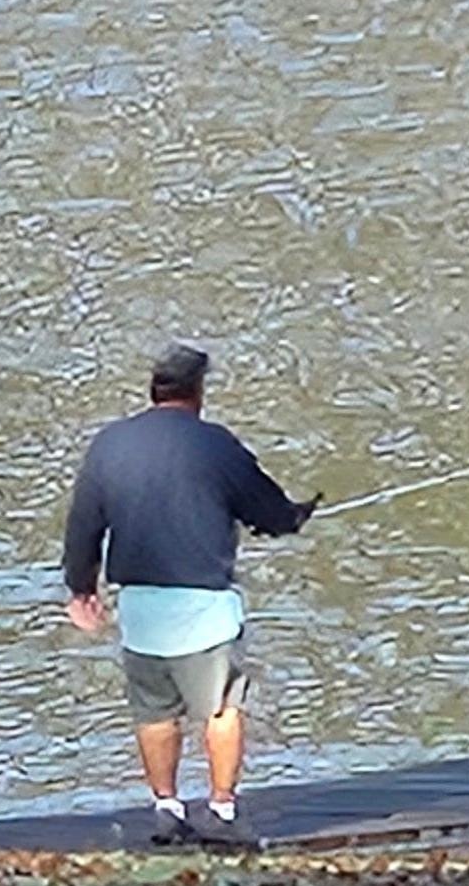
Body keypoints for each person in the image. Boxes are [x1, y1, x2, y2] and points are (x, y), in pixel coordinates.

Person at [61, 342, 316, 842]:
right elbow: (267, 511)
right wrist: (295, 516)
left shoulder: (110, 445)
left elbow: (83, 522)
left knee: (154, 710)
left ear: (153, 390)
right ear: (198, 391)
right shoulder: (216, 444)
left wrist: (80, 587)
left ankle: (167, 808)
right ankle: (221, 812)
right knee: (221, 707)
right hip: (205, 604)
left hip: (140, 603)